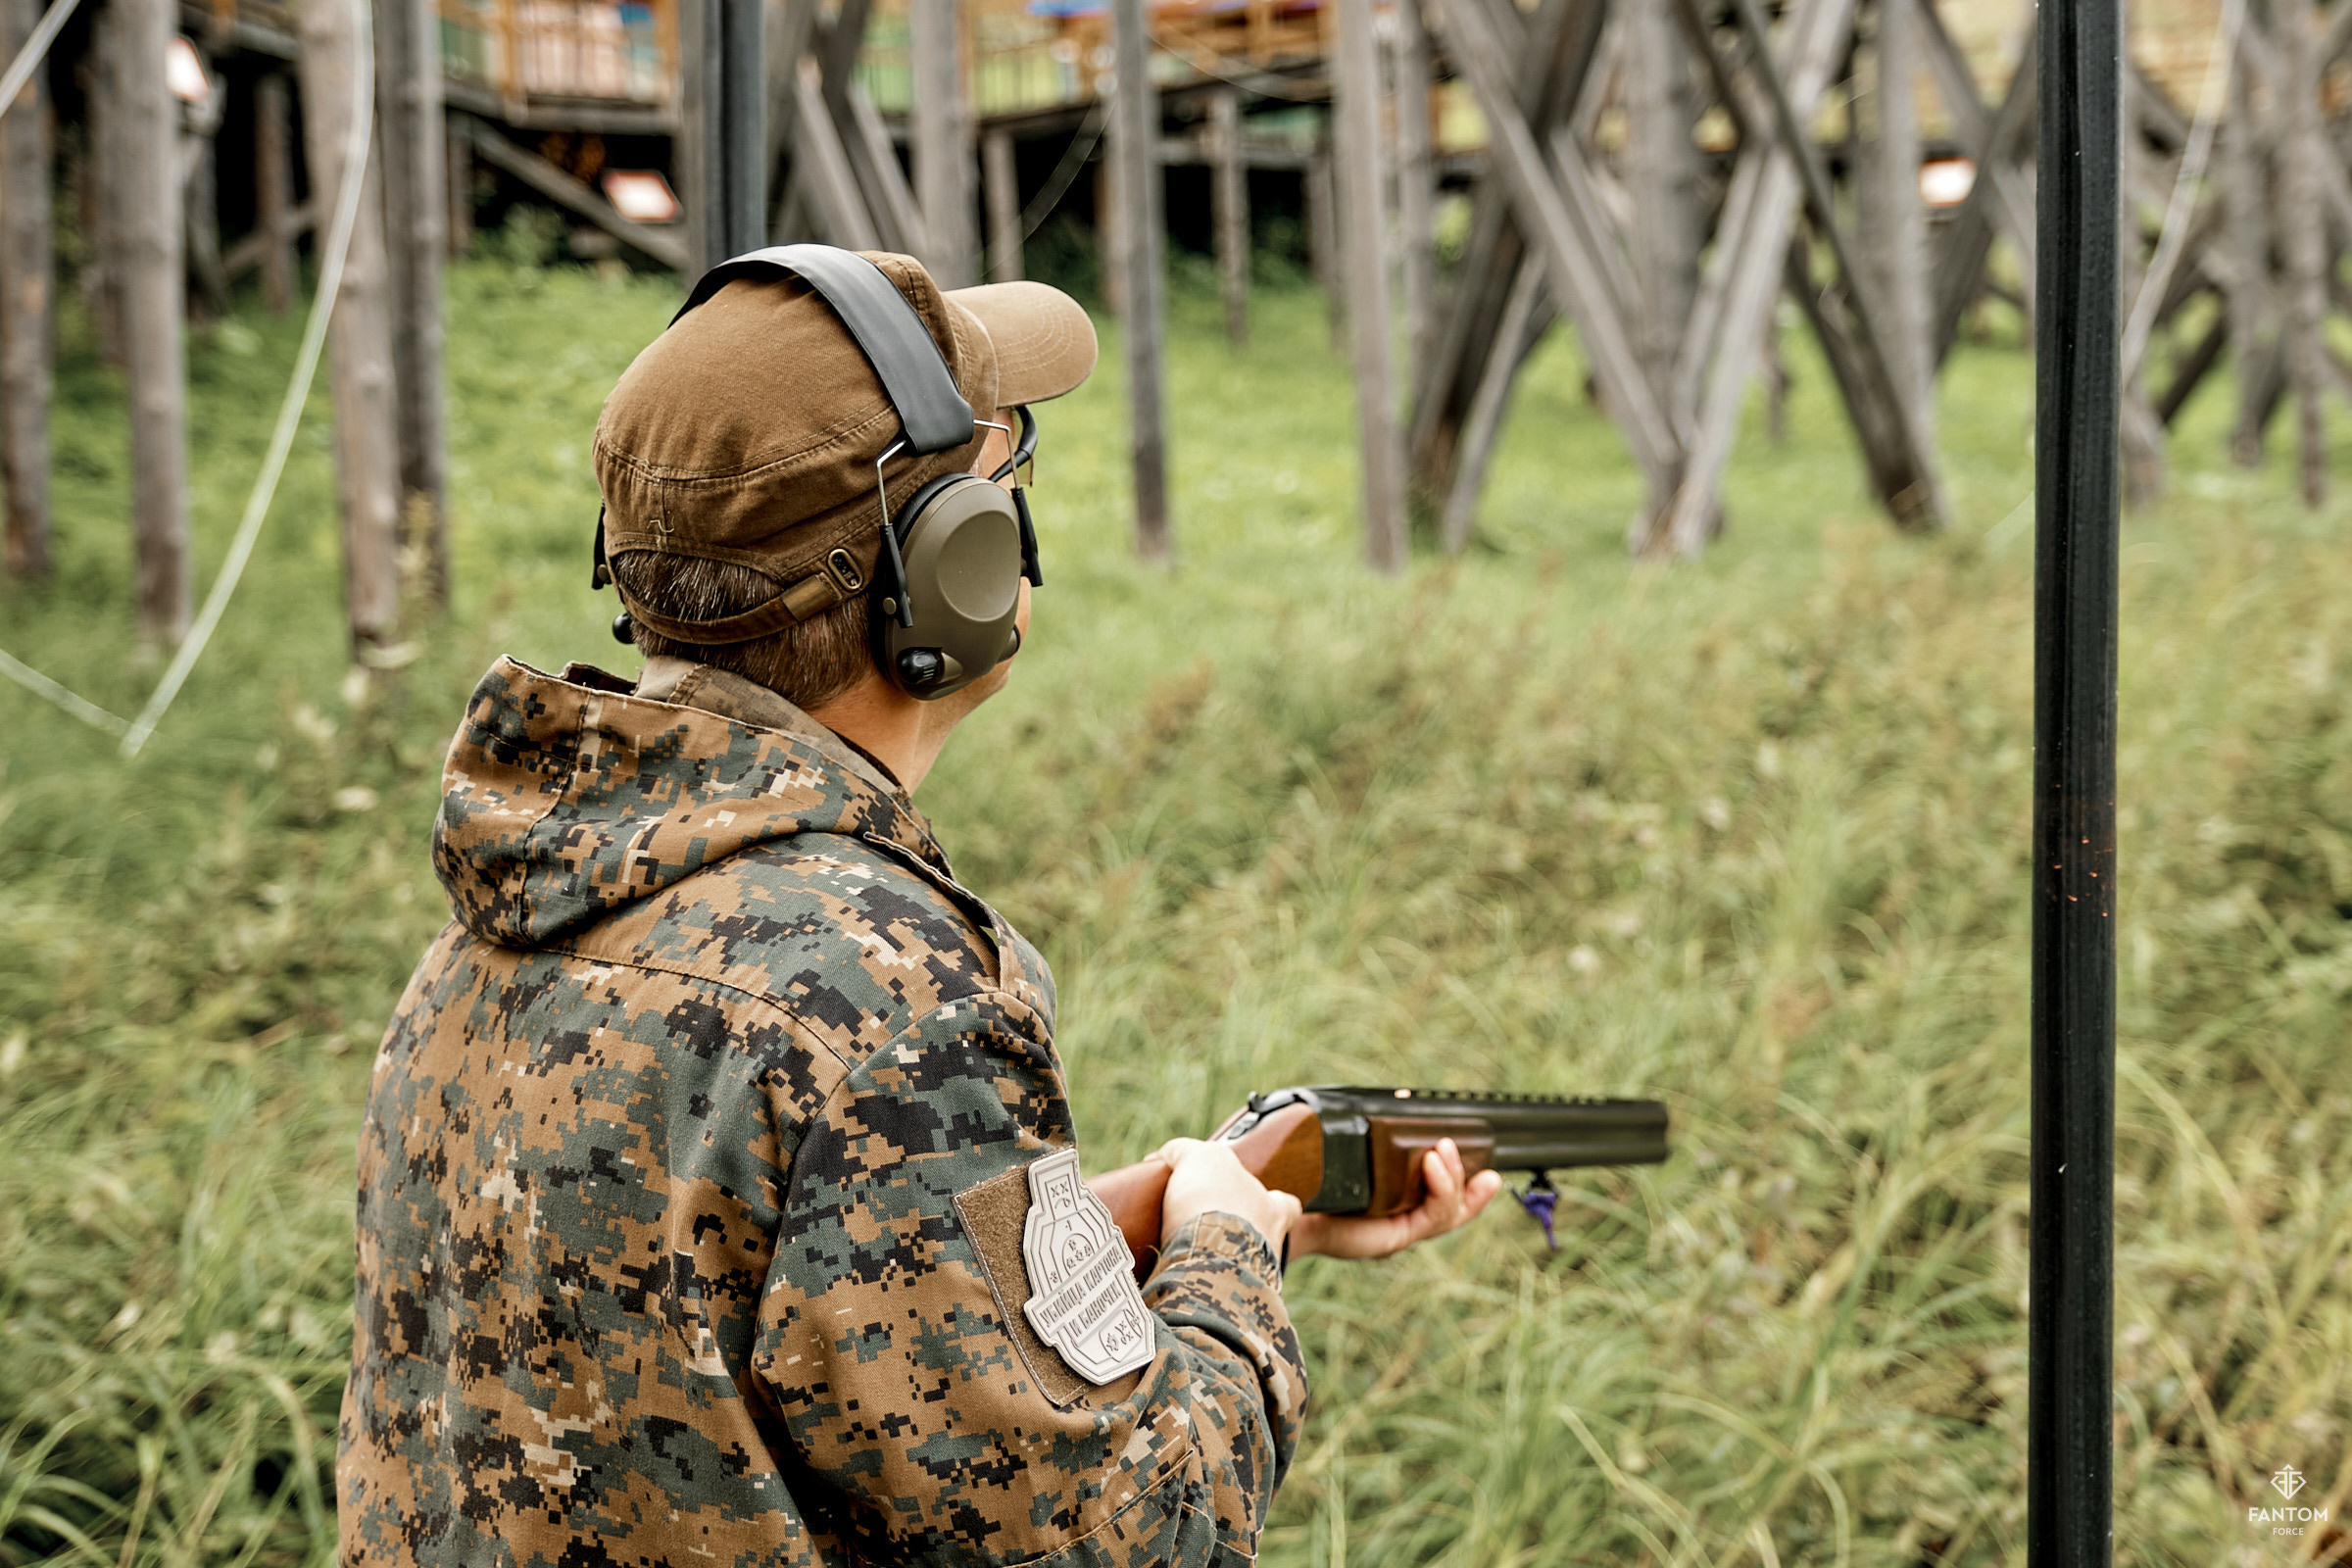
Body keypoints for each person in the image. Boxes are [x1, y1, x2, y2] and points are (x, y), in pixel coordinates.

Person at [337, 249, 1502, 1567]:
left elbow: (741, 1314)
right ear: (950, 567)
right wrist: (1234, 1253)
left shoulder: (509, 909)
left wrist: (1133, 1219)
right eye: (1006, 482)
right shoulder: (880, 1002)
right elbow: (1140, 1537)